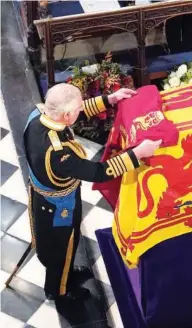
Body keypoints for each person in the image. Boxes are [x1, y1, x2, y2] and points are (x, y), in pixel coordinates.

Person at [23, 84, 162, 301]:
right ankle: (59, 290)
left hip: (46, 195)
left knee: (67, 245)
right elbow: (98, 171)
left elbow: (71, 116)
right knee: (61, 249)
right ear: (67, 114)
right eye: (78, 108)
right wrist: (136, 154)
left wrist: (109, 99)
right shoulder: (58, 154)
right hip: (59, 209)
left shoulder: (40, 113)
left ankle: (66, 274)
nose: (81, 110)